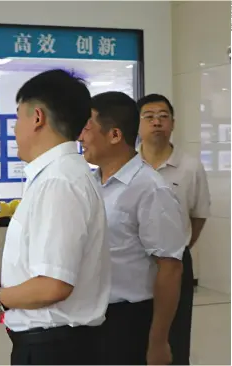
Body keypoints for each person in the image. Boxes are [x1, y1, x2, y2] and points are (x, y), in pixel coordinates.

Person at [0, 69, 111, 365]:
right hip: (54, 344)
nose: (14, 129)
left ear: (37, 118)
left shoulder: (59, 182)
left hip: (54, 349)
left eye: (17, 118)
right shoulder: (57, 176)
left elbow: (54, 284)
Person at [78, 91, 186, 365]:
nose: (81, 137)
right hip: (88, 315)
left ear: (114, 135)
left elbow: (170, 268)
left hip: (128, 320)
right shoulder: (89, 182)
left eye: (87, 128)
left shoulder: (150, 189)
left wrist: (159, 341)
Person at [137, 93, 211, 365]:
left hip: (176, 261)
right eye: (149, 116)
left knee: (175, 335)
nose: (157, 122)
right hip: (133, 263)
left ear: (173, 123)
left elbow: (198, 215)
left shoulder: (190, 167)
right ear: (138, 123)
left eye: (163, 116)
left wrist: (179, 249)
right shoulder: (128, 165)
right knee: (135, 333)